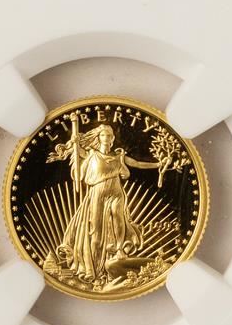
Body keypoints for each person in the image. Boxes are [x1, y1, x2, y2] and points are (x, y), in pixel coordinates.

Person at [57, 122, 159, 285]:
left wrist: (159, 164)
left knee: (119, 220)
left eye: (109, 135)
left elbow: (137, 163)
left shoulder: (118, 156)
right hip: (98, 192)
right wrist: (74, 141)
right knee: (95, 231)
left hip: (116, 192)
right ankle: (96, 271)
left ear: (112, 138)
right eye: (103, 134)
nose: (106, 137)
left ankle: (118, 251)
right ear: (98, 137)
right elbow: (77, 151)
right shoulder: (91, 154)